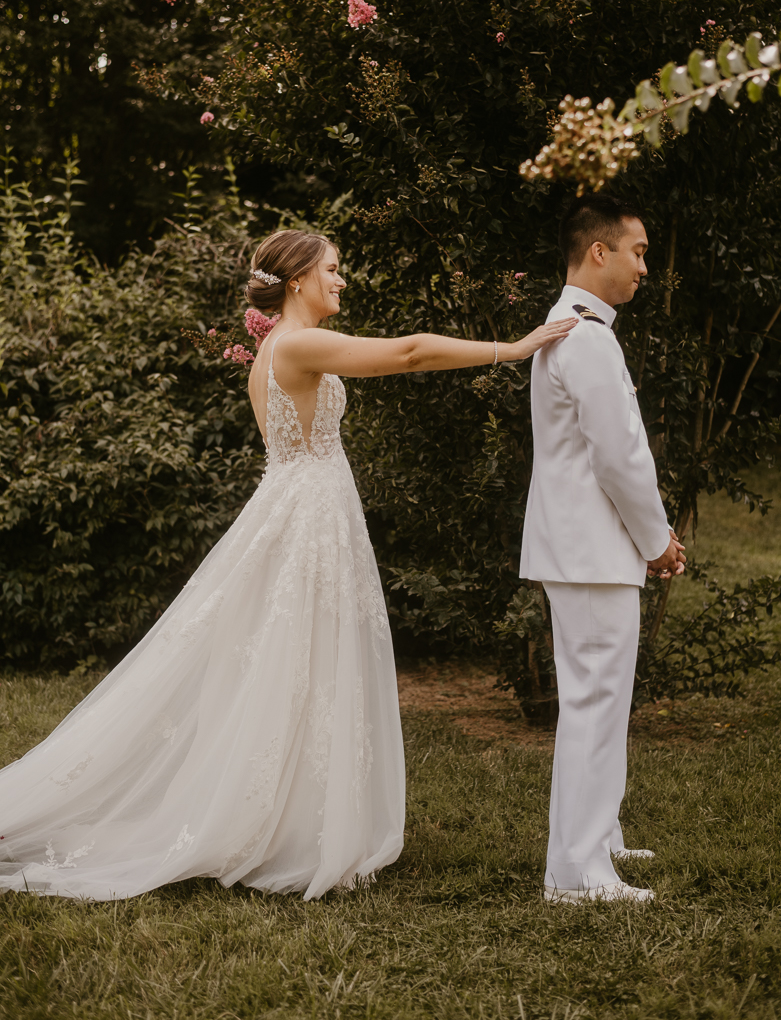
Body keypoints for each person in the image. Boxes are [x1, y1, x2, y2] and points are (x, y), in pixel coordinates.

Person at [0, 229, 576, 902]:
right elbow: (410, 352)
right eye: (333, 270)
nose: (342, 281)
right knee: (295, 663)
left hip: (310, 508)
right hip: (306, 518)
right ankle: (275, 823)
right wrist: (515, 347)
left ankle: (293, 818)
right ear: (297, 280)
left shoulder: (281, 348)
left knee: (298, 666)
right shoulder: (295, 345)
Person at [519, 194, 685, 905]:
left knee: (601, 700)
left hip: (579, 547)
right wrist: (657, 541)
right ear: (599, 252)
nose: (645, 266)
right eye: (638, 252)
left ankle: (601, 835)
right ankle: (578, 875)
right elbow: (619, 458)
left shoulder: (577, 328)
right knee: (594, 700)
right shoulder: (584, 336)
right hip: (591, 549)